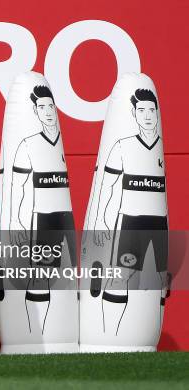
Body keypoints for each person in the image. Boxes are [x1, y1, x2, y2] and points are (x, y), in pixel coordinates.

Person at [93, 88, 167, 335]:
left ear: (156, 113)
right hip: (129, 224)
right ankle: (108, 338)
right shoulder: (122, 146)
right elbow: (107, 188)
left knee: (157, 285)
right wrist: (104, 223)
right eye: (141, 110)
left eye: (151, 110)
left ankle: (146, 344)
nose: (147, 115)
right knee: (119, 280)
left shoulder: (159, 150)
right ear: (134, 114)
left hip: (158, 226)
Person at [9, 85, 76, 334]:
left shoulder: (58, 143)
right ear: (35, 112)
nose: (47, 111)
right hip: (44, 219)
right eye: (42, 107)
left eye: (50, 106)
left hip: (65, 219)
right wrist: (20, 223)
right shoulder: (27, 144)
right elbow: (20, 188)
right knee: (40, 279)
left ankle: (58, 335)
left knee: (66, 281)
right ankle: (33, 336)